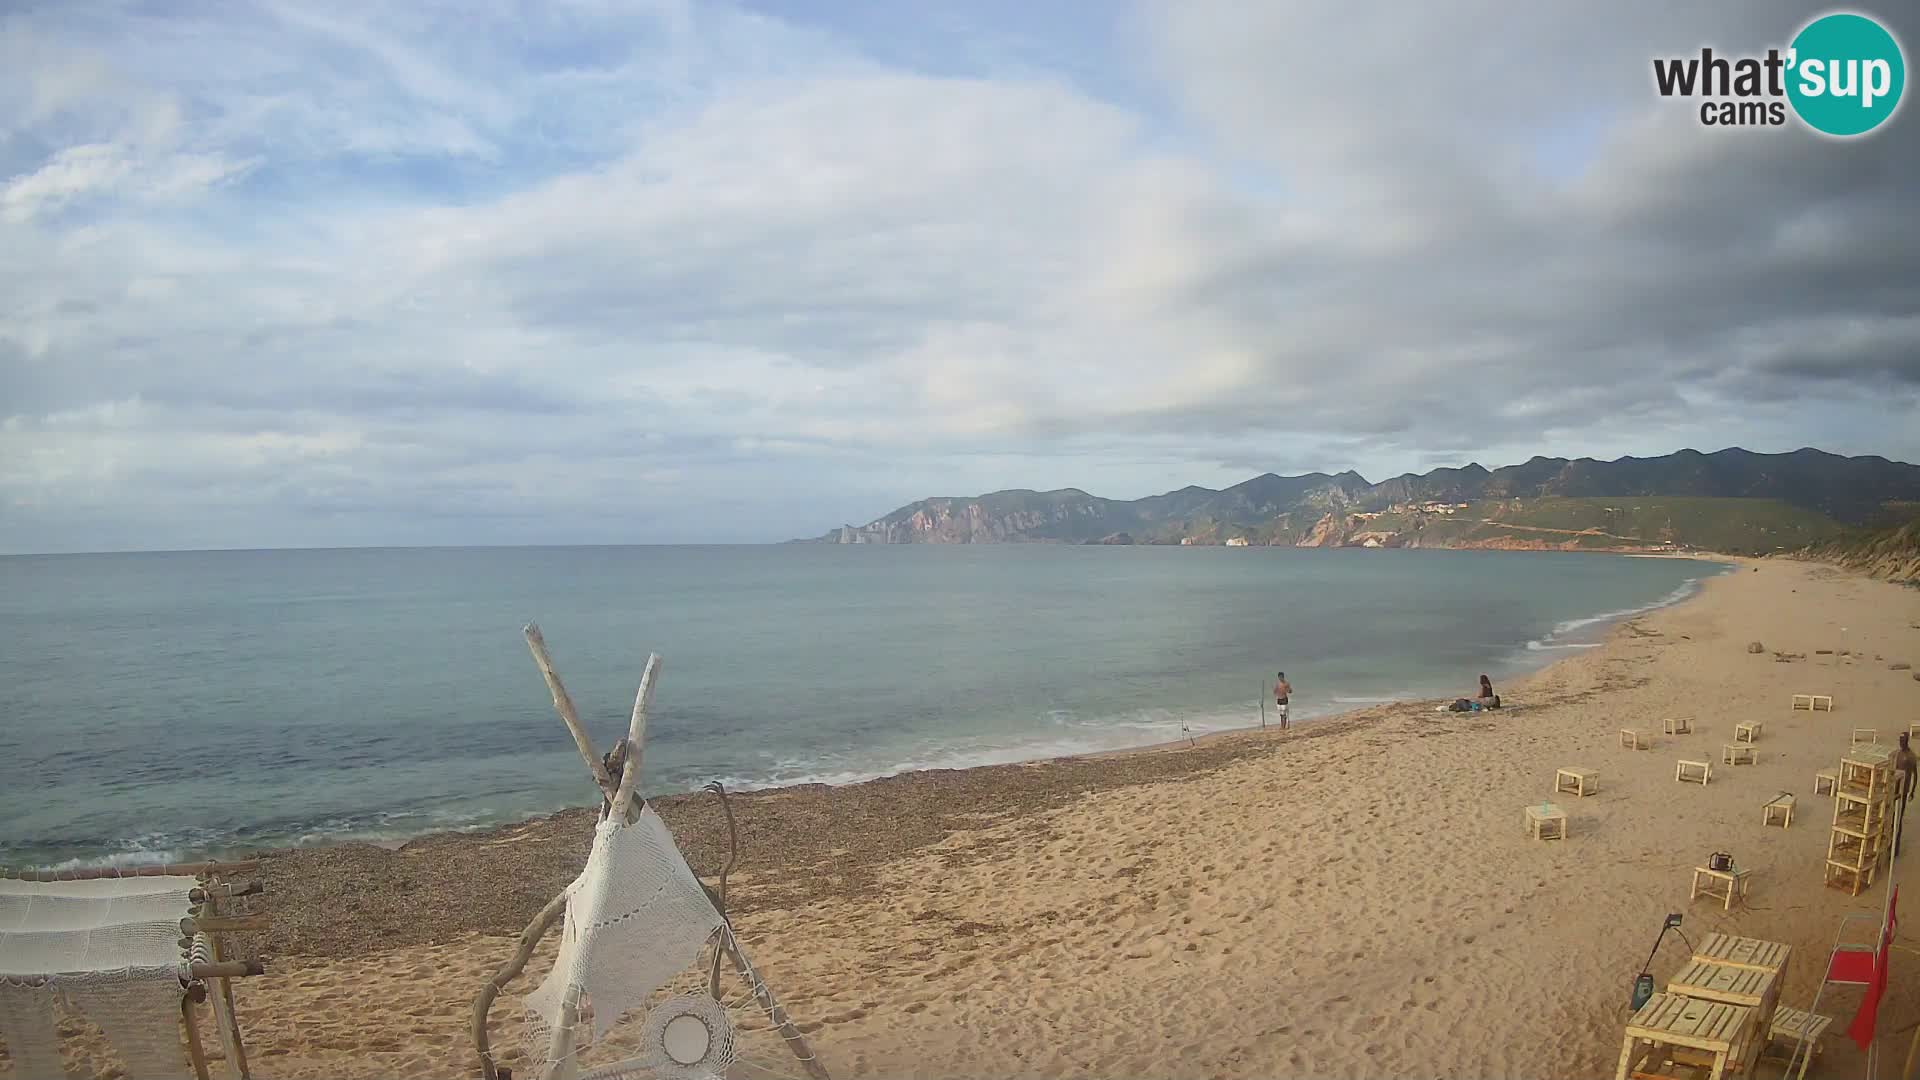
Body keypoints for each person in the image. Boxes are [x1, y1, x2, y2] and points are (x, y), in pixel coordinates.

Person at [1896, 734, 1918, 853]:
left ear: (1907, 741)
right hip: (1895, 789)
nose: (1901, 742)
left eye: (1903, 740)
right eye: (1900, 740)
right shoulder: (1898, 754)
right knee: (1893, 815)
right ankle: (1892, 842)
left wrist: (1912, 791)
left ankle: (1896, 846)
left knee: (1899, 817)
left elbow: (1915, 775)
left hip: (1904, 790)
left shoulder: (1911, 756)